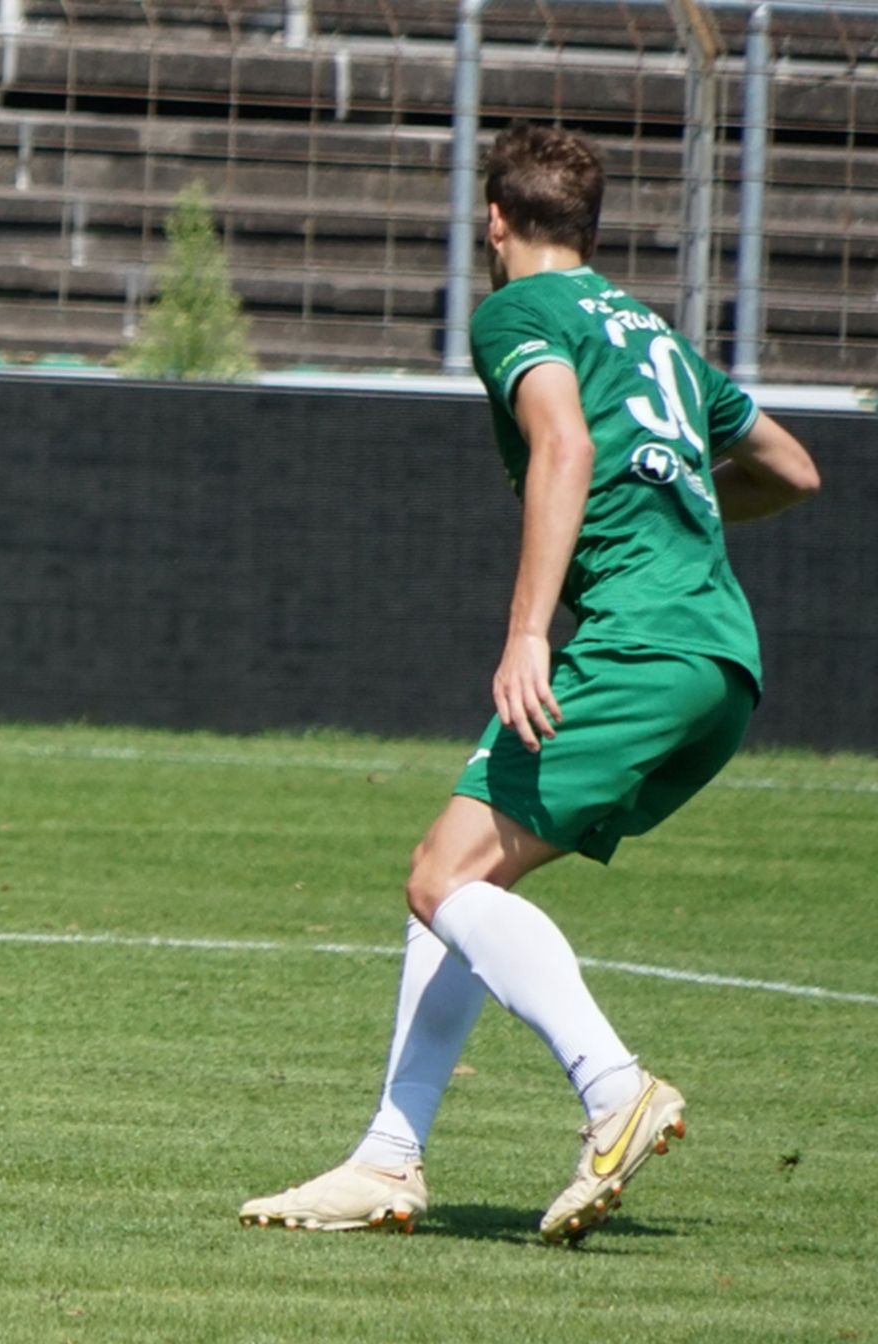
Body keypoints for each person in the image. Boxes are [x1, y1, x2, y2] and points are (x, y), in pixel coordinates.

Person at [239, 123, 820, 1244]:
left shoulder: (518, 312)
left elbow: (564, 447)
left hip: (638, 645)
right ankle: (389, 1157)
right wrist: (683, 503)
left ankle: (614, 1089)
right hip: (719, 661)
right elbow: (793, 471)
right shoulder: (653, 335)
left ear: (494, 220)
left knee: (442, 877)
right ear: (590, 229)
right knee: (455, 874)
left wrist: (527, 635)